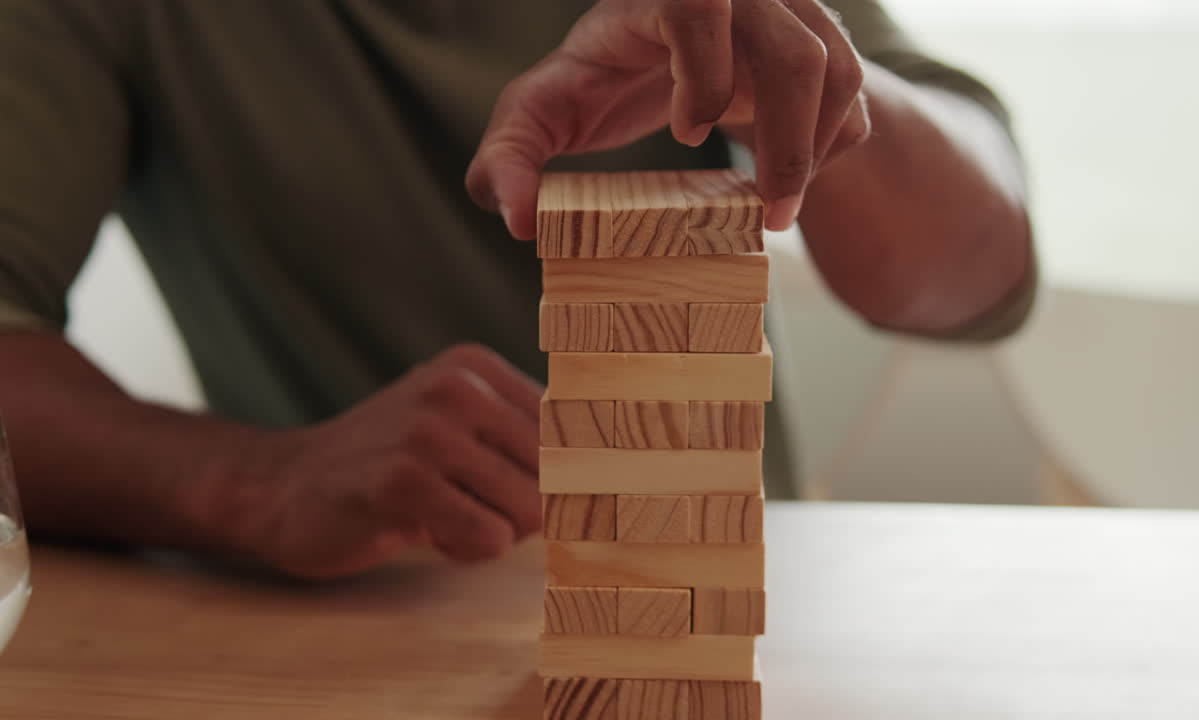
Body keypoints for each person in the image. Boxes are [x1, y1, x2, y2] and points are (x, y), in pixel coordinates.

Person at [0, 1, 1033, 579]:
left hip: (713, 603)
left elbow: (977, 275)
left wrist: (801, 97)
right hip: (330, 618)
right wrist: (251, 481)